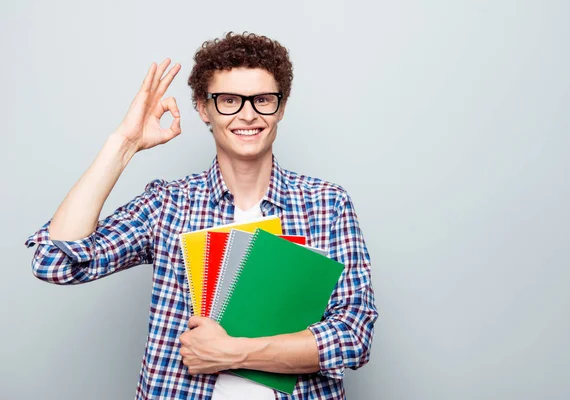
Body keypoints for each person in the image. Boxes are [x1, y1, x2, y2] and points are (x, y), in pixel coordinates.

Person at [25, 32, 378, 400]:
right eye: (228, 100)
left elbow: (354, 336)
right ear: (202, 108)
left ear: (281, 107)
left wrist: (233, 351)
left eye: (263, 100)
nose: (248, 114)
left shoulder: (326, 205)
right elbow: (54, 261)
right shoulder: (169, 205)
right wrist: (124, 144)